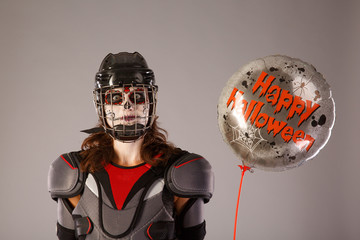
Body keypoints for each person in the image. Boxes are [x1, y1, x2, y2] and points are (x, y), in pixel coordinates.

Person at [48, 52, 214, 240]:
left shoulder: (182, 172)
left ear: (150, 104)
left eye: (137, 96)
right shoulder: (74, 172)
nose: (127, 106)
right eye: (115, 98)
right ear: (102, 105)